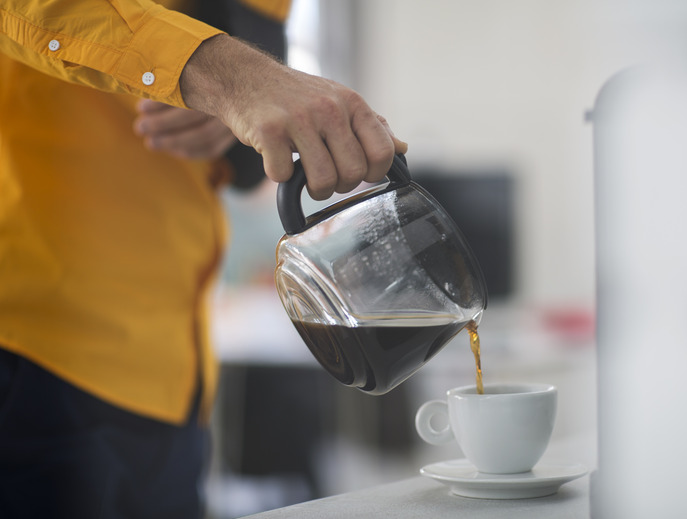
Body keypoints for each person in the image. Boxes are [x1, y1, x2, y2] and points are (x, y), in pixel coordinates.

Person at [0, 0, 407, 517]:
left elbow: (243, 86)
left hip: (175, 375)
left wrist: (225, 117)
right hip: (34, 348)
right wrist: (230, 78)